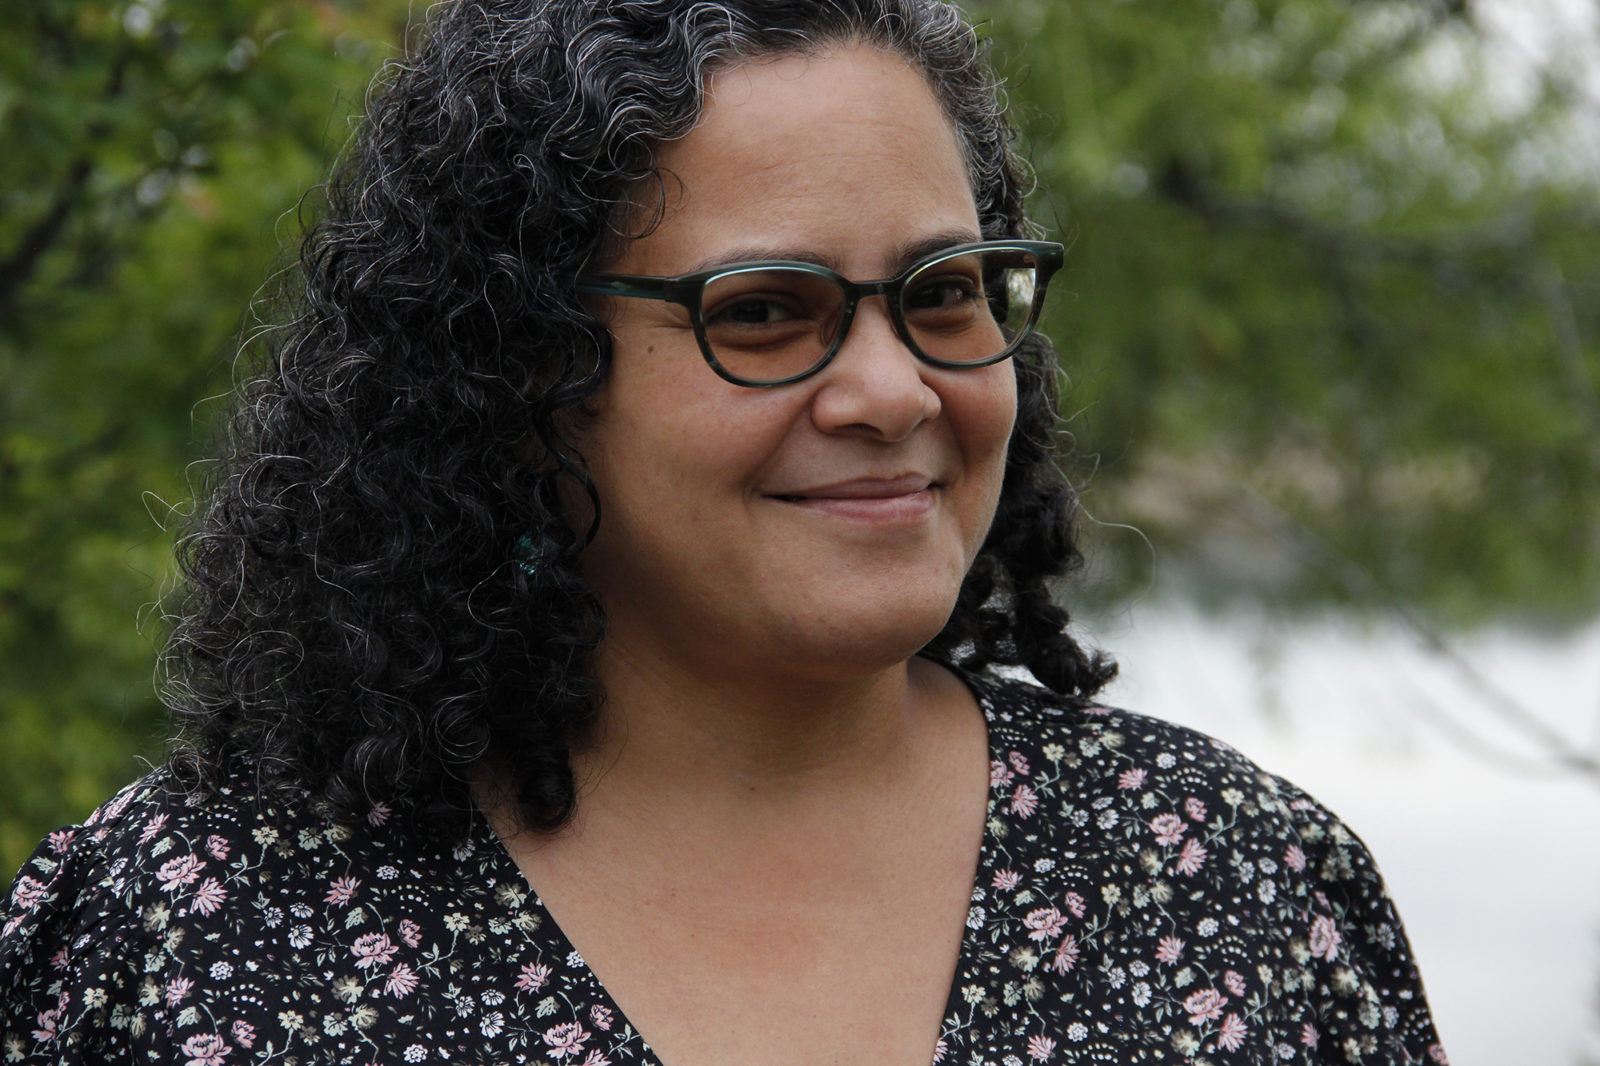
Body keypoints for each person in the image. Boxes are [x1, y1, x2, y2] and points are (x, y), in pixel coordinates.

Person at [1, 1, 1447, 1063]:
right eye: (765, 310)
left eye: (945, 290)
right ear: (520, 376)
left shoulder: (1233, 882)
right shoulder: (196, 934)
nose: (893, 387)